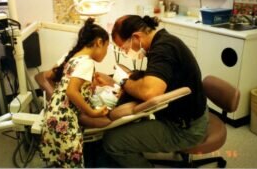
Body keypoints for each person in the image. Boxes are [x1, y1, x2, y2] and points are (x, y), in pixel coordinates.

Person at [102, 15, 208, 167]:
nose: (125, 52)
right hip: (188, 114)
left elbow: (150, 92)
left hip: (185, 129)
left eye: (124, 47)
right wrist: (131, 78)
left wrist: (123, 81)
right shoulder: (162, 41)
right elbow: (155, 75)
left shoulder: (164, 49)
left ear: (136, 37)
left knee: (112, 141)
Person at [39, 18, 110, 168]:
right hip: (66, 123)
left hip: (52, 117)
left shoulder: (70, 56)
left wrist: (91, 84)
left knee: (60, 163)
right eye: (107, 47)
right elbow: (72, 92)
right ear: (99, 42)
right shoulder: (87, 62)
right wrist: (93, 112)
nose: (106, 53)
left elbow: (49, 77)